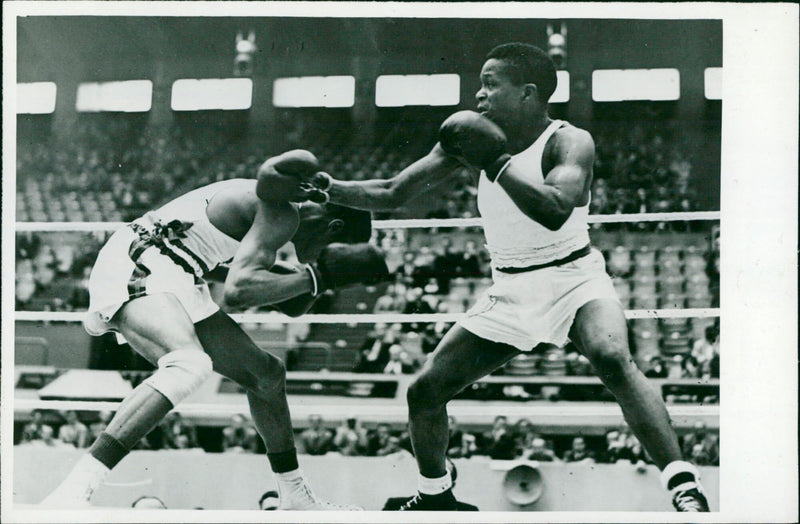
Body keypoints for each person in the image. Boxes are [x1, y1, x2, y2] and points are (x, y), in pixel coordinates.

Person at [310, 43, 709, 511]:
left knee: (612, 356)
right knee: (423, 391)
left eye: (490, 84)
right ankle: (436, 495)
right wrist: (328, 188)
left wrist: (495, 160)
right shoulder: (469, 139)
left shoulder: (569, 140)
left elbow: (556, 210)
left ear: (527, 93)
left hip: (574, 278)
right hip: (511, 287)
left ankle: (684, 487)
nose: (478, 95)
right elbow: (393, 190)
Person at [40, 149, 389, 510]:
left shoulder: (280, 215)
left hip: (179, 270)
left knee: (267, 375)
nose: (318, 260)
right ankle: (71, 492)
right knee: (189, 364)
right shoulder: (281, 214)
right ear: (333, 228)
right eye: (326, 254)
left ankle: (295, 495)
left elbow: (286, 300)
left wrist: (317, 282)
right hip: (142, 260)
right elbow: (238, 295)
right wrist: (318, 276)